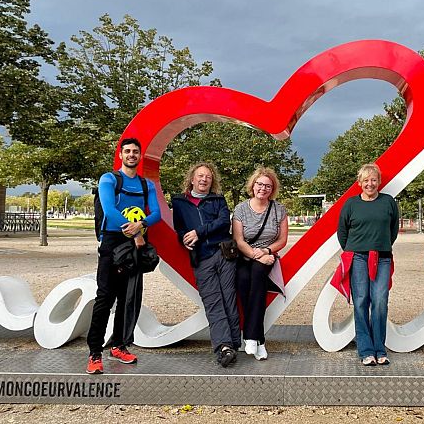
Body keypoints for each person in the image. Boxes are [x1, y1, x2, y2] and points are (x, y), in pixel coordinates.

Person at [86, 138, 161, 374]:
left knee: (128, 298)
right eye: (127, 151)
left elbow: (157, 213)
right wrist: (134, 230)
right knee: (105, 297)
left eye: (135, 152)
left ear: (140, 156)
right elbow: (109, 210)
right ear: (121, 155)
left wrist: (140, 228)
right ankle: (94, 353)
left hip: (135, 242)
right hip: (112, 241)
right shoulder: (109, 179)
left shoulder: (146, 184)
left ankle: (119, 345)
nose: (131, 155)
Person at [171, 162, 240, 367]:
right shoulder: (179, 202)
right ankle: (224, 347)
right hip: (201, 259)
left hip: (224, 255)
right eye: (200, 176)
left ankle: (234, 343)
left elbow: (223, 223)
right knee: (213, 302)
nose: (204, 179)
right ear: (192, 179)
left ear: (212, 181)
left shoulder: (218, 200)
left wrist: (199, 232)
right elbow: (180, 228)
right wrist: (184, 237)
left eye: (208, 177)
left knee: (229, 299)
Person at [337, 164, 399, 366]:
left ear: (379, 182)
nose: (370, 184)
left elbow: (393, 230)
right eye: (366, 180)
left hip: (381, 257)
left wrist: (381, 245)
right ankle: (366, 350)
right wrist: (353, 248)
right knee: (362, 300)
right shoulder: (351, 204)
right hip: (358, 258)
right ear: (360, 183)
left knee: (380, 300)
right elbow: (342, 232)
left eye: (373, 180)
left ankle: (380, 348)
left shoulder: (388, 202)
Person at [232, 167, 288, 361]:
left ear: (272, 189)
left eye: (267, 186)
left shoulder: (279, 209)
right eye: (260, 184)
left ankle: (249, 337)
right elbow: (239, 240)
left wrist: (265, 252)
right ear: (253, 185)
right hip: (245, 255)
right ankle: (259, 340)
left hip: (267, 256)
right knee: (243, 280)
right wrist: (257, 255)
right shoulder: (241, 208)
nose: (263, 188)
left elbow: (282, 240)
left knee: (257, 275)